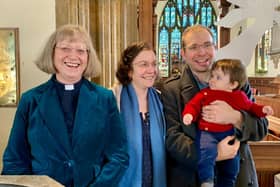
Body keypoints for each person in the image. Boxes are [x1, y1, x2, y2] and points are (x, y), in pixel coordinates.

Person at [2, 24, 129, 187]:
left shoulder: (104, 99)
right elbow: (15, 159)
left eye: (81, 51)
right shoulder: (31, 100)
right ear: (52, 52)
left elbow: (119, 155)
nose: (73, 56)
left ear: (88, 57)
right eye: (65, 48)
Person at [160, 24, 268, 187]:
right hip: (192, 178)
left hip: (238, 177)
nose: (202, 52)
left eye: (207, 45)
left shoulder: (236, 82)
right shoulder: (171, 89)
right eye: (194, 47)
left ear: (215, 47)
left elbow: (260, 128)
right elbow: (173, 138)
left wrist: (236, 117)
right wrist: (213, 154)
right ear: (183, 53)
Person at [182, 59, 274, 187]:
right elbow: (193, 105)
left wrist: (261, 110)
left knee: (232, 165)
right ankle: (207, 181)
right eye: (212, 76)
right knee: (207, 151)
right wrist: (189, 114)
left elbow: (252, 108)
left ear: (232, 84)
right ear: (184, 53)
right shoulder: (206, 93)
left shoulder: (239, 96)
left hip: (229, 136)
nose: (212, 80)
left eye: (217, 77)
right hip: (208, 133)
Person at [111, 41, 166, 187]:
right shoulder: (112, 98)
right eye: (143, 64)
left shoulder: (161, 99)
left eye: (154, 64)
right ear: (129, 70)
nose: (151, 70)